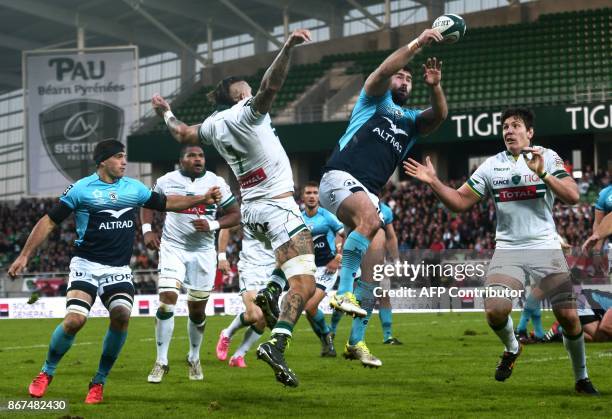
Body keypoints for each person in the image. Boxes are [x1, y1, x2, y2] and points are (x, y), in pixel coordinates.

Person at [151, 29, 316, 387]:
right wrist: (287, 47)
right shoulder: (248, 113)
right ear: (241, 93)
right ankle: (278, 343)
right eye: (248, 88)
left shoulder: (213, 124)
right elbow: (271, 85)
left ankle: (272, 290)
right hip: (277, 204)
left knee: (288, 266)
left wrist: (166, 113)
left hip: (252, 211)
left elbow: (180, 133)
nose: (252, 90)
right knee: (305, 283)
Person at [7, 140, 221, 403]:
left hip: (117, 269)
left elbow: (166, 202)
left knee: (121, 316)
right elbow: (49, 221)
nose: (124, 161)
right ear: (103, 161)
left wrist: (202, 198)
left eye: (124, 156)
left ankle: (99, 381)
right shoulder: (81, 189)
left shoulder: (133, 188)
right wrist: (25, 255)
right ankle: (46, 372)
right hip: (85, 264)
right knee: (75, 320)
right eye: (119, 157)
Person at [404, 108, 599, 395]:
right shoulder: (491, 166)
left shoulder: (546, 156)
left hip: (545, 246)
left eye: (515, 126)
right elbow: (459, 202)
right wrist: (434, 182)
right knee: (495, 312)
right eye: (505, 126)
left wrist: (542, 172)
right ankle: (513, 347)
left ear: (529, 132)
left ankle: (581, 378)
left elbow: (572, 196)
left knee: (569, 318)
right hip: (509, 248)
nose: (508, 131)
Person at [318, 27, 447, 362]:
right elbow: (383, 71)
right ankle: (342, 292)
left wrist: (435, 88)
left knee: (374, 278)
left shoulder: (413, 121)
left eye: (409, 79)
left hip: (367, 192)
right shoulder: (373, 98)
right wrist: (418, 43)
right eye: (400, 77)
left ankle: (355, 344)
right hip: (339, 176)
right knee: (371, 218)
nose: (403, 81)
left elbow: (440, 116)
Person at [143, 144, 240, 383]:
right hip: (173, 248)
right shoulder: (167, 180)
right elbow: (148, 204)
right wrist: (147, 230)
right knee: (167, 300)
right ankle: (161, 361)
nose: (198, 159)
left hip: (203, 252)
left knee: (197, 310)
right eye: (192, 155)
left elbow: (235, 214)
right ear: (181, 160)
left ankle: (194, 357)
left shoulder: (216, 182)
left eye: (201, 155)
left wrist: (213, 225)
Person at [216, 228, 283, 368]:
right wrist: (222, 257)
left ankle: (239, 355)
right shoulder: (246, 211)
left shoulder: (281, 213)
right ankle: (227, 333)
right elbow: (227, 227)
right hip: (250, 268)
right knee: (254, 315)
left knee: (264, 318)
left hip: (273, 270)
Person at [300, 182, 344, 357]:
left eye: (315, 192)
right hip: (307, 268)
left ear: (319, 196)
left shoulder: (327, 216)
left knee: (310, 306)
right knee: (308, 310)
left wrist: (337, 258)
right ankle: (327, 342)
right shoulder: (298, 218)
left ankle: (327, 335)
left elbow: (343, 234)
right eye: (308, 192)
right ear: (303, 197)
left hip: (327, 268)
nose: (311, 196)